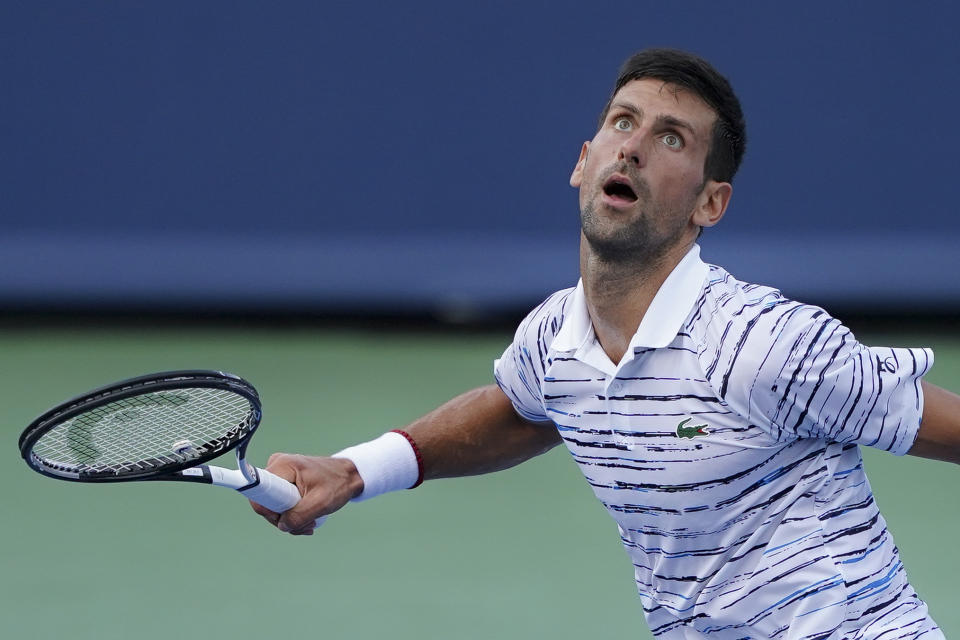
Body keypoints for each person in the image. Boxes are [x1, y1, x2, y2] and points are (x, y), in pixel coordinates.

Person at [250, 49, 959, 639]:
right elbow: (522, 409)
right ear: (585, 162)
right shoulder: (555, 342)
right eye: (624, 123)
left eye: (671, 138)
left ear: (711, 204)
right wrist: (355, 470)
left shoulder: (764, 345)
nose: (635, 146)